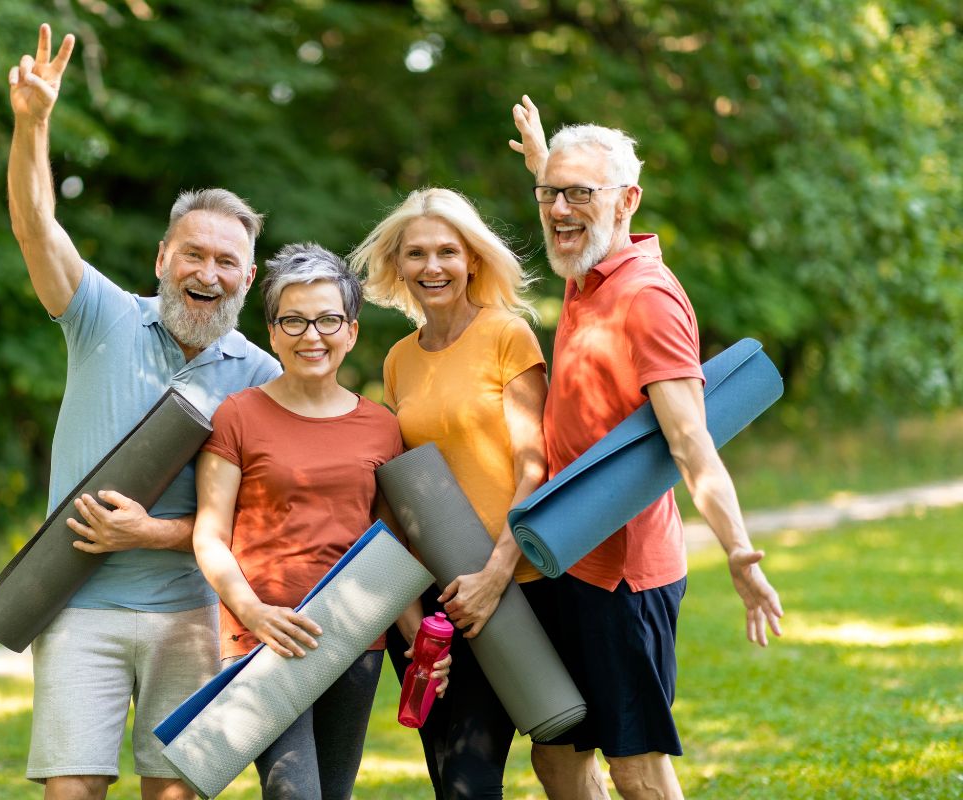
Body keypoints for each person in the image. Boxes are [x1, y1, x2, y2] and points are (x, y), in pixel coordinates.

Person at [6, 24, 281, 800]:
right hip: (77, 606)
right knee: (72, 793)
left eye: (227, 261)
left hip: (194, 618)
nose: (207, 271)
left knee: (177, 795)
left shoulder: (262, 377)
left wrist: (154, 533)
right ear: (163, 258)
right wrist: (33, 124)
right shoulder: (103, 317)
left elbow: (267, 517)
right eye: (192, 253)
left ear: (247, 277)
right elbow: (36, 226)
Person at [508, 96, 785, 800]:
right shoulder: (584, 265)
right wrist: (547, 162)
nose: (559, 209)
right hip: (568, 555)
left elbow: (693, 443)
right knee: (557, 752)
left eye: (579, 194)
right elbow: (570, 210)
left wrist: (738, 549)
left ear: (627, 201)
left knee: (635, 766)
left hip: (622, 576)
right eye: (550, 194)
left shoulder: (647, 299)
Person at [191, 243, 448, 800]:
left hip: (355, 637)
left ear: (351, 330)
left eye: (328, 319)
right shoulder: (236, 415)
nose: (313, 335)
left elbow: (388, 548)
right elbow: (209, 536)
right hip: (264, 639)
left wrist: (418, 648)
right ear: (273, 331)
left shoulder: (382, 426)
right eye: (295, 320)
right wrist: (254, 614)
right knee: (295, 793)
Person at [349, 187, 550, 799]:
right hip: (433, 604)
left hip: (508, 587)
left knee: (470, 781)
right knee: (449, 779)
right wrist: (409, 617)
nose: (431, 267)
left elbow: (534, 466)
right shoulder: (397, 361)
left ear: (473, 260)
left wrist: (494, 577)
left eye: (446, 252)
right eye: (416, 254)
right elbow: (398, 483)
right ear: (397, 265)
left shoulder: (506, 335)